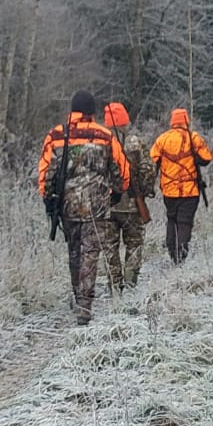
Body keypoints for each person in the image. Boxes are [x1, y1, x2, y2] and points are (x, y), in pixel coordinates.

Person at [38, 91, 129, 324]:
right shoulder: (105, 135)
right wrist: (117, 192)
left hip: (67, 205)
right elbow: (123, 170)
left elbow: (44, 172)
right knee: (91, 253)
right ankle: (85, 307)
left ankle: (78, 297)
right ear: (92, 111)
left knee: (74, 251)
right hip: (97, 206)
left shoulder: (56, 135)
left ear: (72, 110)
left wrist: (49, 199)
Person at [150, 108, 212, 264]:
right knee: (184, 222)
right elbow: (206, 159)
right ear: (186, 121)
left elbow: (152, 163)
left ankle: (172, 251)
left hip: (169, 191)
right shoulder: (194, 138)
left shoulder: (162, 139)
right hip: (190, 191)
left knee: (172, 219)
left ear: (172, 121)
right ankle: (181, 254)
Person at [102, 101, 154, 290]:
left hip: (107, 206)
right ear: (125, 120)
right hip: (132, 204)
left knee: (110, 246)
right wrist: (144, 192)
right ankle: (131, 280)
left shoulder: (100, 142)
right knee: (134, 243)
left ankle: (115, 284)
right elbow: (148, 169)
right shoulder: (136, 142)